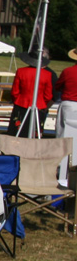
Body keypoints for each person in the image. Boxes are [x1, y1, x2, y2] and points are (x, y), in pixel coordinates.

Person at [8, 49, 53, 137]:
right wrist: (42, 102)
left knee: (18, 133)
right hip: (39, 106)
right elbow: (48, 95)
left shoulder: (21, 71)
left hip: (21, 105)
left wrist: (17, 101)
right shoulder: (47, 74)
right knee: (35, 133)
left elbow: (14, 92)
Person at [54, 48, 77, 186]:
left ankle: (62, 168)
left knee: (63, 135)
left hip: (68, 103)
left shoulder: (68, 71)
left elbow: (58, 86)